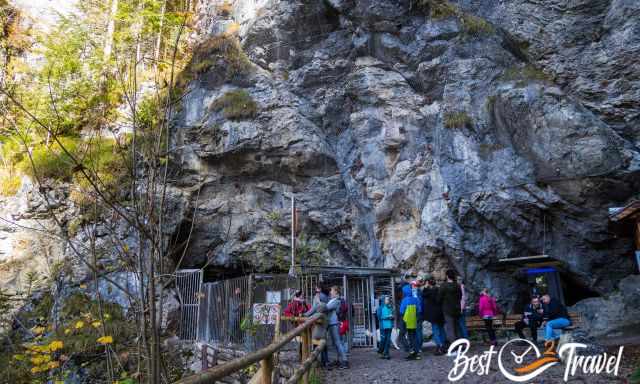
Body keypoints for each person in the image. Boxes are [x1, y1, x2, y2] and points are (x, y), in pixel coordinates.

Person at [304, 285, 330, 367]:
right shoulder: (326, 311)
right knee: (324, 347)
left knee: (315, 347)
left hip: (316, 333)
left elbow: (311, 313)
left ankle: (314, 362)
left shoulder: (317, 309)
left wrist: (304, 315)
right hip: (324, 333)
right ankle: (326, 362)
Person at [422, 276, 447, 355]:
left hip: (433, 314)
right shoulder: (439, 290)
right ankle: (443, 345)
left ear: (429, 283)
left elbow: (423, 294)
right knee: (442, 330)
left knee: (435, 330)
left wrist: (425, 287)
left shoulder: (429, 291)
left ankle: (439, 346)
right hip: (441, 313)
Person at [326, 286, 349, 369]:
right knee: (335, 343)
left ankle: (345, 361)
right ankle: (339, 360)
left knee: (338, 343)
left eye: (331, 290)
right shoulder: (333, 300)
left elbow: (326, 308)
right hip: (332, 323)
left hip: (335, 323)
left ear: (336, 292)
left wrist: (318, 304)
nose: (330, 292)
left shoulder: (336, 301)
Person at [439, 269, 462, 345]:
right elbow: (460, 296)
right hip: (457, 309)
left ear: (447, 276)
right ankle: (460, 345)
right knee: (457, 328)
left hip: (447, 309)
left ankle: (454, 348)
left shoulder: (444, 286)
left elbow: (439, 298)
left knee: (450, 329)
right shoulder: (457, 286)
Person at [400, 284, 422, 360]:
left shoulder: (404, 300)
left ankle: (410, 351)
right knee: (414, 336)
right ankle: (417, 352)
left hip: (406, 320)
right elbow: (419, 310)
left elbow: (402, 311)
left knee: (402, 336)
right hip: (414, 320)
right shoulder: (415, 299)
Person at [376, 295, 394, 359]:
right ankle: (381, 350)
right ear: (383, 300)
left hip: (389, 326)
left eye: (388, 299)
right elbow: (379, 317)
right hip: (383, 327)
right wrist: (386, 317)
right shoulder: (380, 308)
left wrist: (392, 317)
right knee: (383, 340)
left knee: (388, 340)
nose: (388, 300)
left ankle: (386, 353)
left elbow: (393, 315)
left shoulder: (390, 307)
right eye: (386, 299)